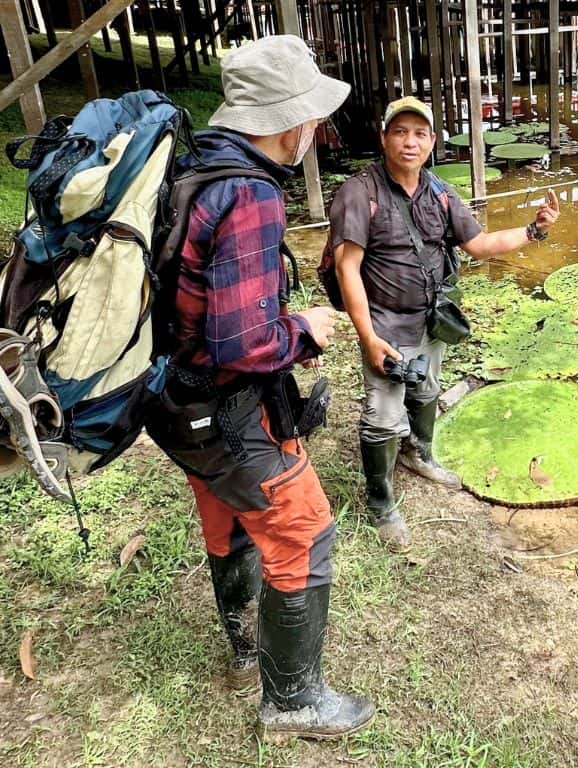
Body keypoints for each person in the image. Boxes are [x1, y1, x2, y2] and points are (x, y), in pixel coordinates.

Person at [146, 35, 374, 741]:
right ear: (288, 121)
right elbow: (243, 344)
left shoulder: (192, 170)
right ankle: (293, 701)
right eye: (311, 116)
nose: (316, 129)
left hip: (178, 404)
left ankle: (246, 650)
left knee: (229, 522)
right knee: (305, 532)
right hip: (234, 410)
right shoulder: (249, 193)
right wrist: (306, 329)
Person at [329, 96, 561, 552]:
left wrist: (535, 230)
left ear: (432, 141)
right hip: (385, 323)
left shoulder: (439, 191)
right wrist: (369, 337)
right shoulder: (360, 193)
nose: (409, 141)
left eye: (419, 133)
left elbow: (479, 244)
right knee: (381, 415)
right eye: (400, 132)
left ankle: (419, 453)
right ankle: (381, 502)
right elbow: (347, 269)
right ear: (384, 139)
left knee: (427, 390)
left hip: (431, 319)